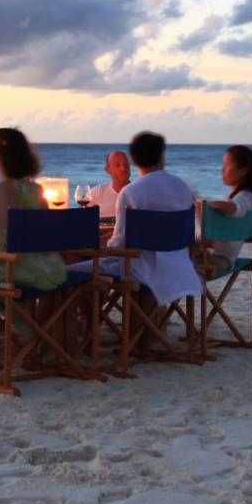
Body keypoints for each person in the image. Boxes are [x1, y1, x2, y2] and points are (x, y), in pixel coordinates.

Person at [78, 131, 204, 349]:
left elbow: (118, 244)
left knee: (71, 272)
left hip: (139, 269)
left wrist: (101, 245)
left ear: (134, 160)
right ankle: (142, 337)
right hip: (179, 267)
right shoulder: (183, 188)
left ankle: (88, 336)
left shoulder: (131, 192)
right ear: (162, 157)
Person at [0, 127, 69, 368]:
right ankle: (28, 341)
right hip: (46, 273)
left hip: (14, 275)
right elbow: (47, 235)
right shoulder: (38, 191)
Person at [201, 145, 252, 274]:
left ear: (243, 170)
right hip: (207, 255)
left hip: (220, 260)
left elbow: (234, 209)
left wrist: (206, 206)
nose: (222, 170)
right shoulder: (235, 197)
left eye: (227, 165)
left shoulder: (246, 196)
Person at [87, 150, 131, 220]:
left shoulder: (139, 193)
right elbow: (80, 219)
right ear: (107, 170)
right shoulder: (97, 192)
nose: (123, 168)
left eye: (125, 164)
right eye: (117, 165)